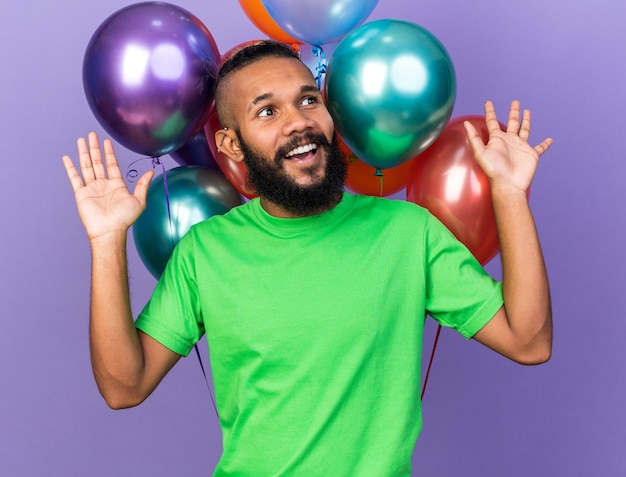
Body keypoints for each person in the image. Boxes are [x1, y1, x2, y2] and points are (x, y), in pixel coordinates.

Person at [63, 40, 553, 476]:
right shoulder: (206, 250)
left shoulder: (408, 232)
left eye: (307, 100)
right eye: (267, 112)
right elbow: (124, 388)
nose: (298, 122)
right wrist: (106, 243)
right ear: (231, 144)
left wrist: (509, 194)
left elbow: (528, 342)